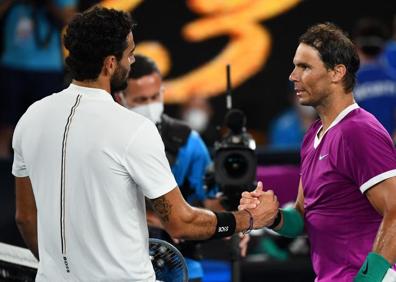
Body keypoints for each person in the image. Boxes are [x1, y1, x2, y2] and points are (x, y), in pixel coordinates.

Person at [12, 7, 279, 281]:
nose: (133, 60)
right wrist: (248, 219)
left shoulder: (30, 118)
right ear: (110, 64)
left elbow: (26, 218)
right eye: (130, 53)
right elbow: (182, 222)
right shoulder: (134, 129)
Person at [240, 22, 396, 282]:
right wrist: (274, 216)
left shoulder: (358, 131)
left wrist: (368, 279)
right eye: (295, 66)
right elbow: (303, 217)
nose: (293, 76)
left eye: (305, 67)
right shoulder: (313, 135)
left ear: (337, 73)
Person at [113, 54, 225, 281]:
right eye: (141, 100)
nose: (149, 106)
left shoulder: (188, 141)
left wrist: (233, 215)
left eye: (155, 97)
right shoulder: (104, 140)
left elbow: (212, 202)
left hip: (181, 263)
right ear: (120, 97)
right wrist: (157, 219)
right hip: (118, 262)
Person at [0, 0, 77, 159]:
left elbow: (70, 20)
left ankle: (42, 169)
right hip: (11, 64)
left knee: (46, 127)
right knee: (5, 125)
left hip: (47, 68)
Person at [353, 18, 396, 140]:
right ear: (383, 48)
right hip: (390, 150)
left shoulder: (348, 84)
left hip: (362, 150)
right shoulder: (393, 79)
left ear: (357, 48)